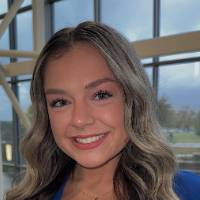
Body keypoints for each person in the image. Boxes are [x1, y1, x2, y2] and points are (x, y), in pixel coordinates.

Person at [5, 21, 200, 200]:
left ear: (132, 99)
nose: (79, 120)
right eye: (60, 102)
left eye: (100, 95)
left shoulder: (187, 191)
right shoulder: (31, 196)